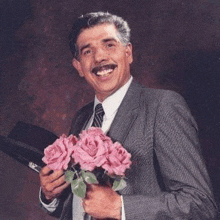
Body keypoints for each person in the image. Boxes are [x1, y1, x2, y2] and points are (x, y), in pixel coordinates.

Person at [39, 12, 218, 220]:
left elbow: (200, 206)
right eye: (88, 51)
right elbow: (84, 207)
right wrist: (51, 195)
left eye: (109, 45)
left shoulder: (162, 106)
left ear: (128, 52)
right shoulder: (82, 117)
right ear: (78, 67)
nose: (100, 57)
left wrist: (121, 207)